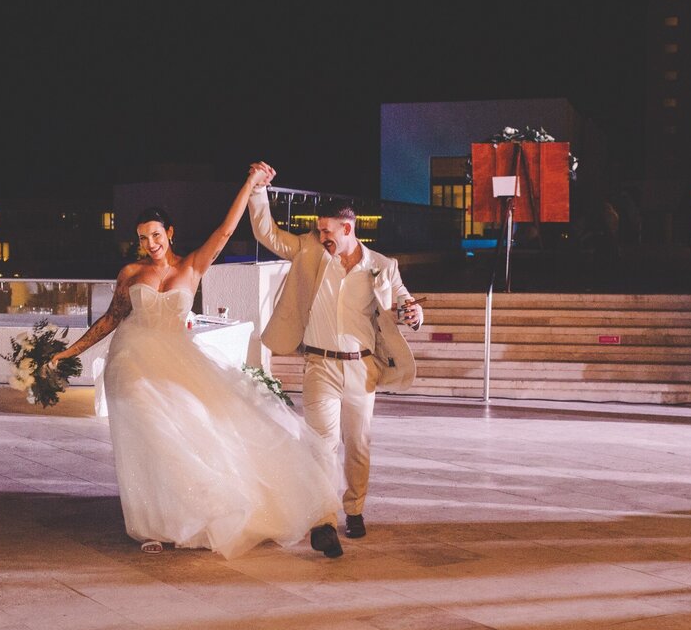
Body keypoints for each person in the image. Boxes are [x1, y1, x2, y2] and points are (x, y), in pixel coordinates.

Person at [49, 168, 346, 559]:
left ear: (169, 233)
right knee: (146, 433)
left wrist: (247, 185)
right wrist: (66, 353)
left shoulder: (191, 266)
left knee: (192, 429)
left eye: (156, 235)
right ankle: (151, 526)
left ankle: (193, 513)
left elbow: (224, 232)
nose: (150, 243)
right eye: (142, 237)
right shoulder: (131, 273)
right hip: (130, 361)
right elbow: (110, 318)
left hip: (176, 359)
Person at [247, 161, 422, 540]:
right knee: (321, 444)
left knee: (357, 445)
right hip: (319, 366)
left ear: (347, 228)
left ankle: (354, 508)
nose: (319, 233)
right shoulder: (310, 251)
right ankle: (323, 518)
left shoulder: (381, 266)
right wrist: (257, 190)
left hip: (362, 369)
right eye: (317, 228)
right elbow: (267, 233)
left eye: (326, 229)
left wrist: (413, 312)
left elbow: (403, 301)